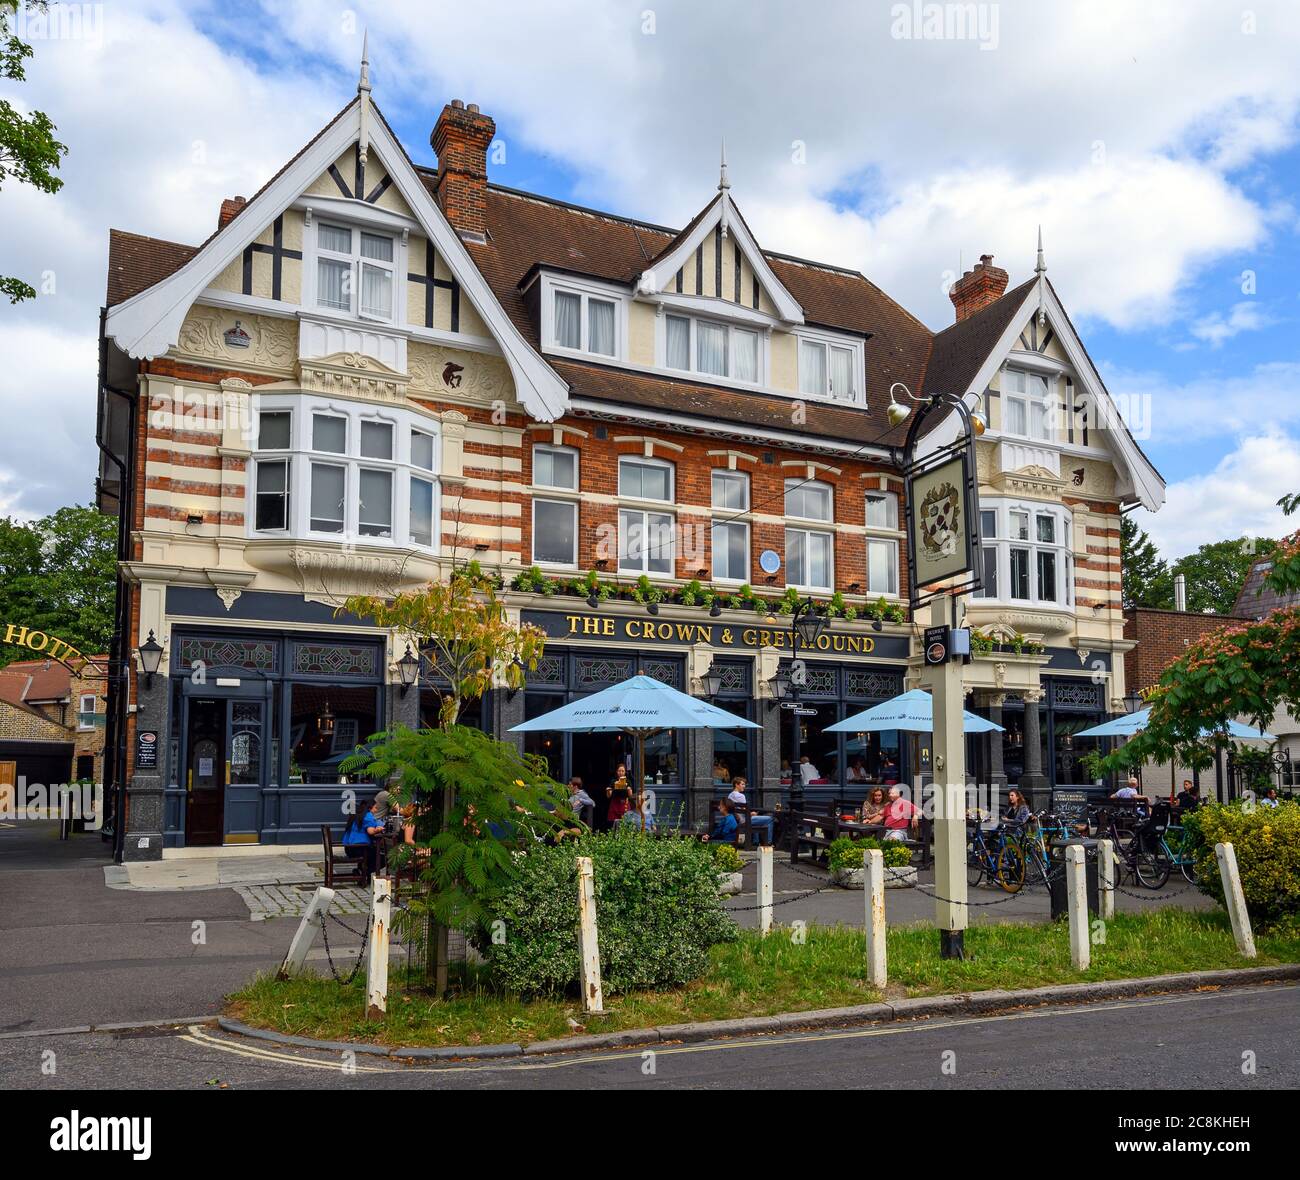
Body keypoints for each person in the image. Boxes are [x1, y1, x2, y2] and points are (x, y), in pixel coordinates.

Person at [341, 803, 384, 885]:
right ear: (369, 809)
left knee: (374, 851)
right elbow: (370, 831)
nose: (376, 810)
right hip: (359, 849)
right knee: (382, 857)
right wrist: (378, 829)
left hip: (349, 849)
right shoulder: (368, 816)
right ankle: (364, 873)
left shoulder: (356, 816)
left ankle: (362, 872)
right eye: (375, 808)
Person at [727, 776, 774, 846]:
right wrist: (751, 813)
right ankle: (768, 842)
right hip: (744, 820)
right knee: (770, 819)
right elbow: (745, 811)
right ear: (736, 785)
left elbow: (741, 810)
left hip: (737, 819)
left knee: (757, 819)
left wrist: (751, 813)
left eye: (744, 784)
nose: (744, 786)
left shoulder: (730, 795)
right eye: (742, 784)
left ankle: (756, 841)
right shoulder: (740, 796)